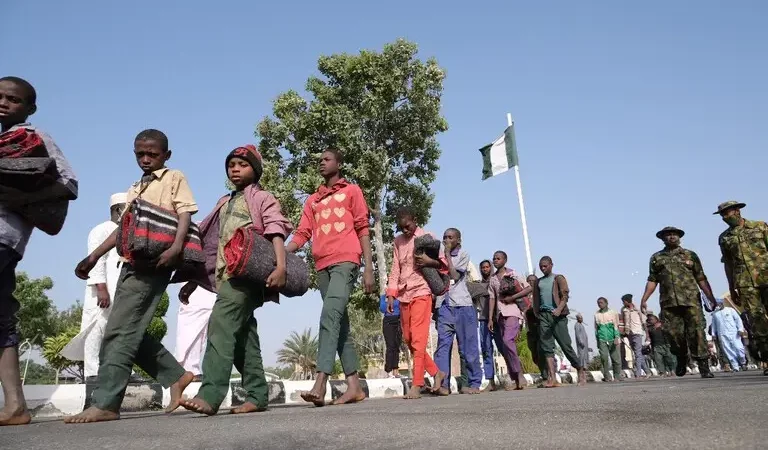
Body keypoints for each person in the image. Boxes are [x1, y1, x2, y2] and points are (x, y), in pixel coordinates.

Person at [68, 129, 196, 423]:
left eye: (153, 154)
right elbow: (124, 228)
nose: (146, 159)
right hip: (132, 261)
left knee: (118, 333)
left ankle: (107, 403)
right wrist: (94, 256)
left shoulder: (174, 177)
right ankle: (176, 376)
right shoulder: (135, 188)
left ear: (166, 155)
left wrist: (176, 249)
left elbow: (185, 213)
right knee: (124, 330)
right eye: (140, 153)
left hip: (156, 261)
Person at [177, 144, 292, 415]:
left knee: (220, 323)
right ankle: (257, 395)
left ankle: (210, 393)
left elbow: (276, 230)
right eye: (232, 165)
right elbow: (210, 244)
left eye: (243, 164)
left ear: (256, 169)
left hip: (247, 276)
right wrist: (194, 278)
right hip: (224, 277)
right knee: (243, 335)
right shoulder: (224, 202)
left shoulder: (262, 198)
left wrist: (281, 267)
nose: (236, 169)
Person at [0, 76, 78, 426]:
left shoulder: (34, 138)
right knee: (2, 322)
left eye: (13, 99)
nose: (4, 103)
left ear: (30, 108)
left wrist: (15, 193)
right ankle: (16, 405)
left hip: (3, 236)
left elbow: (68, 184)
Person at [287, 148, 375, 406]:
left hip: (346, 260)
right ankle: (354, 387)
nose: (321, 164)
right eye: (319, 161)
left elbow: (362, 227)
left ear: (339, 163)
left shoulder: (352, 191)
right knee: (340, 324)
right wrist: (280, 252)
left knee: (329, 316)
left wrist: (368, 267)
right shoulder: (313, 200)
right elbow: (303, 233)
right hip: (322, 266)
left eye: (326, 160)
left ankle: (320, 382)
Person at [639, 226, 718, 379]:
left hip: (691, 301)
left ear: (679, 237)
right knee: (673, 335)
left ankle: (703, 366)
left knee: (697, 333)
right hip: (669, 303)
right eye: (668, 235)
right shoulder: (657, 258)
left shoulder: (690, 255)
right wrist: (644, 299)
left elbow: (701, 277)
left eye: (674, 234)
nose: (671, 237)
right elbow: (652, 280)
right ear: (662, 239)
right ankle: (681, 357)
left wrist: (710, 297)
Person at [64, 193, 126, 381]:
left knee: (118, 331)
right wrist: (101, 288)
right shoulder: (101, 229)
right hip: (101, 291)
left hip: (120, 290)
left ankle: (119, 370)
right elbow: (95, 260)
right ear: (117, 209)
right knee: (95, 329)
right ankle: (92, 372)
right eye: (127, 207)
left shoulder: (125, 232)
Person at [386, 207, 446, 399]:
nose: (405, 230)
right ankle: (437, 373)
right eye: (401, 227)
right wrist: (390, 294)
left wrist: (428, 261)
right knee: (409, 339)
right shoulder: (398, 242)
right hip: (404, 295)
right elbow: (395, 268)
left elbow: (443, 265)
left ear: (415, 220)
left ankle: (417, 383)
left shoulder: (427, 237)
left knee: (419, 340)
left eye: (408, 226)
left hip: (422, 292)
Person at [715, 201, 768, 375]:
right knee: (756, 320)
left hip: (766, 278)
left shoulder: (759, 226)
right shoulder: (725, 238)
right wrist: (732, 287)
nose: (724, 218)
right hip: (745, 284)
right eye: (722, 215)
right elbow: (728, 264)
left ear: (737, 211)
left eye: (726, 213)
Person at [431, 228, 482, 395]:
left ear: (458, 240)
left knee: (468, 347)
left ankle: (473, 383)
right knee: (443, 346)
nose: (446, 240)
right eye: (444, 237)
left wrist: (446, 255)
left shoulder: (463, 255)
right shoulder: (437, 256)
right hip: (444, 306)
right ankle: (443, 384)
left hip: (463, 306)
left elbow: (454, 274)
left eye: (450, 237)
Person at [531, 256, 587, 387]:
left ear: (551, 265)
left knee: (565, 345)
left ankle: (580, 369)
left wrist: (558, 309)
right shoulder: (538, 282)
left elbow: (565, 296)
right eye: (541, 266)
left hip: (558, 316)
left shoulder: (558, 278)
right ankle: (552, 377)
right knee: (547, 347)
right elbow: (536, 299)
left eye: (545, 266)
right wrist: (537, 313)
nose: (543, 268)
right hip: (544, 316)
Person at [488, 251, 530, 390]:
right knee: (506, 346)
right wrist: (490, 318)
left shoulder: (513, 274)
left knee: (507, 341)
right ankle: (516, 378)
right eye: (494, 258)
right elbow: (492, 298)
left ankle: (519, 374)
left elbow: (528, 288)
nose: (495, 260)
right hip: (500, 315)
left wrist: (513, 297)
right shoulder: (493, 279)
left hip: (513, 311)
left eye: (498, 258)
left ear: (505, 260)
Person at [175, 285, 217, 381]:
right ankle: (183, 370)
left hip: (209, 282)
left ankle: (190, 369)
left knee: (201, 329)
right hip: (197, 281)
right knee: (192, 322)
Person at [476, 260, 503, 391]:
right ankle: (490, 381)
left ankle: (513, 377)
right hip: (483, 320)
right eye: (483, 268)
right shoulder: (477, 286)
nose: (485, 269)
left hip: (497, 320)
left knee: (504, 348)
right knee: (486, 350)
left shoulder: (497, 282)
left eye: (487, 267)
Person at [710, 298, 747, 372]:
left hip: (734, 333)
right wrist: (713, 334)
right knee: (728, 350)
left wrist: (740, 329)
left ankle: (743, 362)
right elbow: (713, 325)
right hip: (722, 334)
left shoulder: (730, 310)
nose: (717, 306)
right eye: (716, 304)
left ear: (721, 303)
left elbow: (738, 320)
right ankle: (735, 366)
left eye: (718, 304)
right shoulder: (715, 314)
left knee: (739, 348)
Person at [525, 274, 548, 381]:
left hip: (540, 326)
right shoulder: (523, 296)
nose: (531, 283)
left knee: (541, 351)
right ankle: (543, 371)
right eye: (529, 281)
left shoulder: (540, 294)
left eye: (533, 281)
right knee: (534, 353)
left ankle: (545, 374)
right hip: (530, 329)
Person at [621, 294, 650, 378]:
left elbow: (644, 322)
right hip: (629, 333)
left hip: (637, 332)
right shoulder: (624, 310)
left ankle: (638, 374)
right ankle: (647, 371)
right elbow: (624, 321)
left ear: (627, 301)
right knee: (638, 354)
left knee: (637, 353)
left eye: (624, 301)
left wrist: (647, 335)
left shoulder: (638, 310)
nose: (623, 303)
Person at [594, 297, 622, 382]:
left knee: (616, 359)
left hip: (613, 338)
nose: (600, 304)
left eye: (601, 302)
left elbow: (616, 326)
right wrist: (598, 341)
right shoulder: (596, 314)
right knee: (604, 358)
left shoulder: (613, 313)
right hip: (602, 339)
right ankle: (607, 376)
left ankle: (617, 376)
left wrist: (617, 337)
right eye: (598, 303)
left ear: (606, 303)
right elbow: (596, 328)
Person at [380, 294, 401, 378]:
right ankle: (388, 370)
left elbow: (402, 307)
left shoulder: (400, 296)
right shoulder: (383, 297)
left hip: (398, 321)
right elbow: (382, 309)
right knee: (390, 346)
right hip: (388, 322)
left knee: (396, 346)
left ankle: (395, 371)